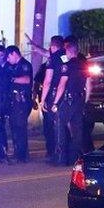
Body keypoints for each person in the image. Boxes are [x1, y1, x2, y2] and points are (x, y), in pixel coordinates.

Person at [27, 34, 69, 163]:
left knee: (54, 126)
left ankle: (58, 155)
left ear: (52, 46)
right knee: (64, 125)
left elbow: (47, 81)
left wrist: (43, 100)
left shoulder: (53, 59)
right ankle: (68, 153)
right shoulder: (68, 57)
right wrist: (35, 47)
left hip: (54, 95)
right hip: (68, 96)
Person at [50, 39, 88, 165]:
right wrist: (85, 100)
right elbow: (89, 84)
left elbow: (62, 84)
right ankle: (76, 158)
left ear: (70, 51)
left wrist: (55, 103)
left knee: (60, 128)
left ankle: (60, 158)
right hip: (79, 100)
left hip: (67, 100)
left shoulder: (67, 66)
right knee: (77, 129)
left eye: (66, 50)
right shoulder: (84, 64)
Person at [64, 35, 95, 153]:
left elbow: (88, 82)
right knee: (77, 126)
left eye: (66, 48)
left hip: (75, 98)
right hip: (79, 98)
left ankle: (82, 152)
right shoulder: (79, 61)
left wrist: (86, 100)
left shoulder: (76, 62)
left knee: (78, 127)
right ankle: (82, 151)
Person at [6, 45, 33, 163]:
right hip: (14, 101)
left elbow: (27, 79)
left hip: (22, 101)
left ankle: (22, 155)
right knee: (14, 127)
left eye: (8, 57)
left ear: (14, 53)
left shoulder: (25, 65)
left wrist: (12, 79)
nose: (7, 60)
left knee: (20, 127)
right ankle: (18, 152)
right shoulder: (13, 66)